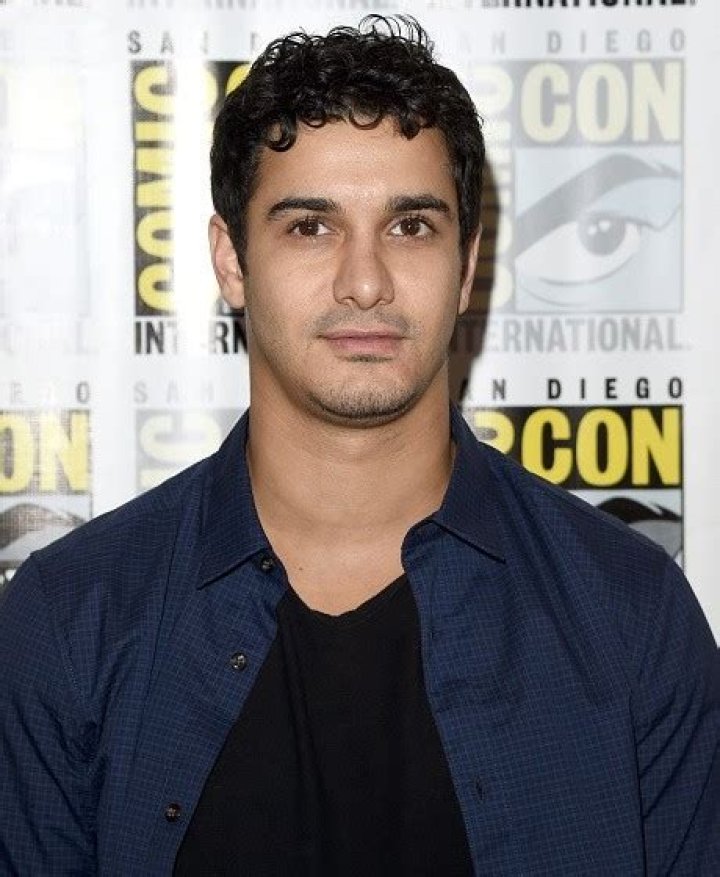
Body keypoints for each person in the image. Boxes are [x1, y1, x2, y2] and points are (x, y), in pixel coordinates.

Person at [1, 16, 718, 876]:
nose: (366, 281)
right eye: (311, 226)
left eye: (410, 226)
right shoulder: (69, 620)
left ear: (466, 265)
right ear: (231, 261)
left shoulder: (629, 615)